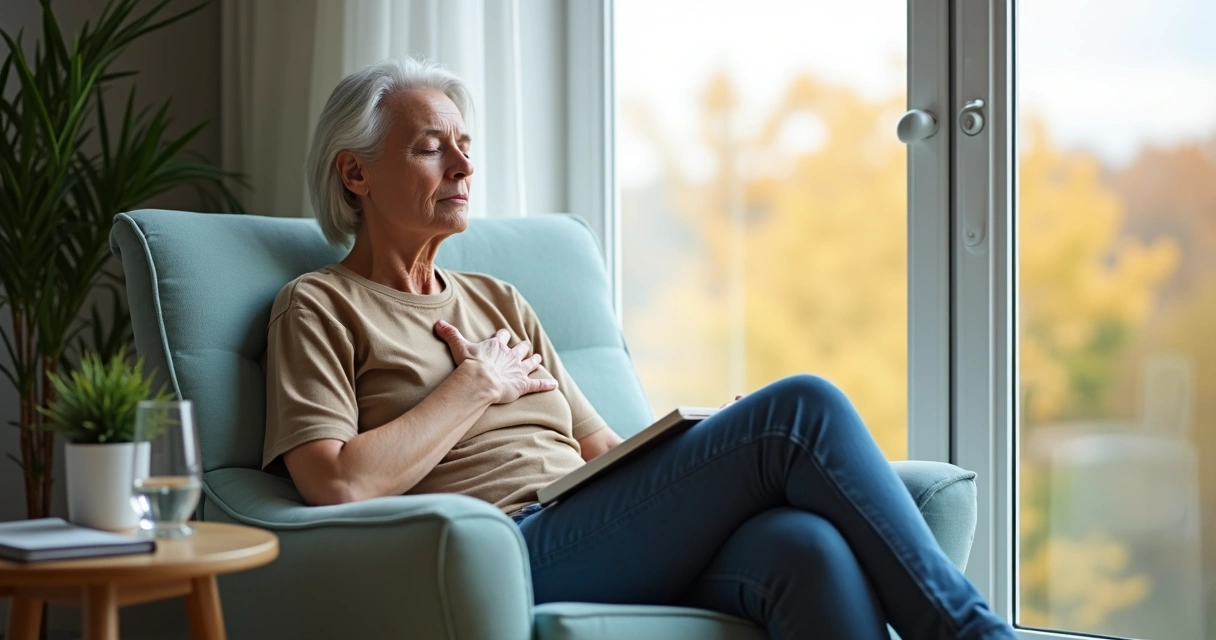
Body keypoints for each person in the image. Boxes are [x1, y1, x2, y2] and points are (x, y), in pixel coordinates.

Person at [262, 56, 1016, 640]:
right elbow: (339, 486)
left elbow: (601, 453)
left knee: (803, 545)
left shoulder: (499, 300)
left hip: (594, 526)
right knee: (803, 408)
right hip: (505, 551)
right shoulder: (321, 306)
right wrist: (474, 386)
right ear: (355, 171)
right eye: (432, 148)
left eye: (465, 146)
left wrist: (708, 448)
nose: (463, 167)